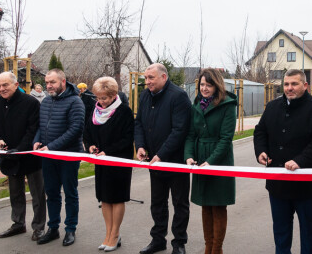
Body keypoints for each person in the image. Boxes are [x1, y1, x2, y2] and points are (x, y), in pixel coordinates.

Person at [254, 69, 312, 254]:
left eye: (294, 84)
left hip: (306, 186)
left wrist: (300, 161)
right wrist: (261, 151)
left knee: (309, 233)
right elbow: (260, 132)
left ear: (305, 85)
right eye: (286, 84)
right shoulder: (272, 107)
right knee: (281, 234)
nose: (289, 88)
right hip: (278, 185)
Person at [134, 63, 191, 254]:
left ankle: (179, 243)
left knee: (179, 203)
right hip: (154, 161)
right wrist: (140, 146)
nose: (147, 82)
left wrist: (162, 154)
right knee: (157, 203)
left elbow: (180, 130)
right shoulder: (144, 96)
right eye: (146, 78)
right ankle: (158, 240)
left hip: (175, 161)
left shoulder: (178, 96)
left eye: (151, 78)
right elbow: (139, 123)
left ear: (164, 77)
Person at [0, 72, 46, 241]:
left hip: (29, 156)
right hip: (9, 156)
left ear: (15, 84)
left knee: (37, 194)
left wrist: (19, 149)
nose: (2, 89)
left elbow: (33, 130)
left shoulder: (31, 103)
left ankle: (39, 227)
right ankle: (18, 223)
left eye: (5, 85)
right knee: (15, 193)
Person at [184, 68, 237, 254]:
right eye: (202, 85)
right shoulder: (197, 104)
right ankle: (209, 247)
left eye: (209, 85)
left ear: (217, 85)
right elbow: (190, 135)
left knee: (218, 205)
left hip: (219, 160)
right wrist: (189, 156)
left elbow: (226, 139)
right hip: (200, 158)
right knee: (206, 204)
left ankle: (217, 249)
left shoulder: (228, 105)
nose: (204, 88)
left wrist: (212, 161)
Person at [33, 69, 85, 247]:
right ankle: (53, 228)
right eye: (47, 82)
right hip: (48, 156)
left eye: (52, 82)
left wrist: (52, 146)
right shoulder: (46, 101)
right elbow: (41, 126)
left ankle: (70, 228)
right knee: (52, 193)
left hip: (68, 156)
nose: (49, 86)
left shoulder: (75, 101)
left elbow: (75, 129)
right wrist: (37, 141)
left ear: (63, 82)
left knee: (70, 193)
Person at [84, 77, 134, 252]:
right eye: (98, 98)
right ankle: (108, 233)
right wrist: (89, 145)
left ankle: (115, 234)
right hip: (101, 162)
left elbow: (127, 139)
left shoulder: (124, 112)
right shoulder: (94, 111)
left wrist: (109, 151)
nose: (101, 101)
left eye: (104, 98)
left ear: (113, 95)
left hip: (118, 161)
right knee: (104, 198)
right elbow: (87, 132)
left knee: (117, 198)